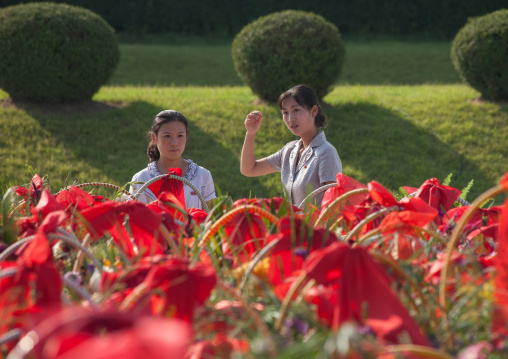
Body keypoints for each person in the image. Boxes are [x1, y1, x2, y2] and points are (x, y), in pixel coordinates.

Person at [240, 84, 342, 207]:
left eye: (296, 110)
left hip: (315, 226)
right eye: (285, 113)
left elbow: (334, 207)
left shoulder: (326, 152)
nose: (290, 118)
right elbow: (249, 169)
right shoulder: (289, 151)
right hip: (291, 225)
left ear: (313, 111)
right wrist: (250, 134)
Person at [130, 110, 216, 210]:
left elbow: (212, 219)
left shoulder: (202, 176)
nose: (174, 143)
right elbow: (136, 220)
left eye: (180, 135)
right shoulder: (142, 179)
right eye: (167, 136)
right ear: (154, 138)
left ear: (186, 136)